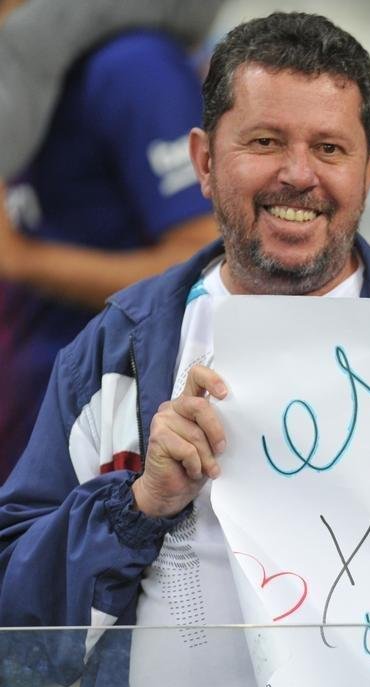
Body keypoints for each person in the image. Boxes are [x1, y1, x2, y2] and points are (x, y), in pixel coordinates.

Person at [0, 12, 370, 687]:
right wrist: (139, 503)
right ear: (204, 161)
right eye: (265, 141)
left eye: (329, 148)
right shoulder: (118, 355)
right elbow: (16, 636)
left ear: (369, 169)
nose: (298, 175)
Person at [0, 0, 223, 483]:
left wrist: (22, 260)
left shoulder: (132, 67)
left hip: (96, 452)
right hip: (26, 433)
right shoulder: (26, 67)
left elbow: (206, 257)